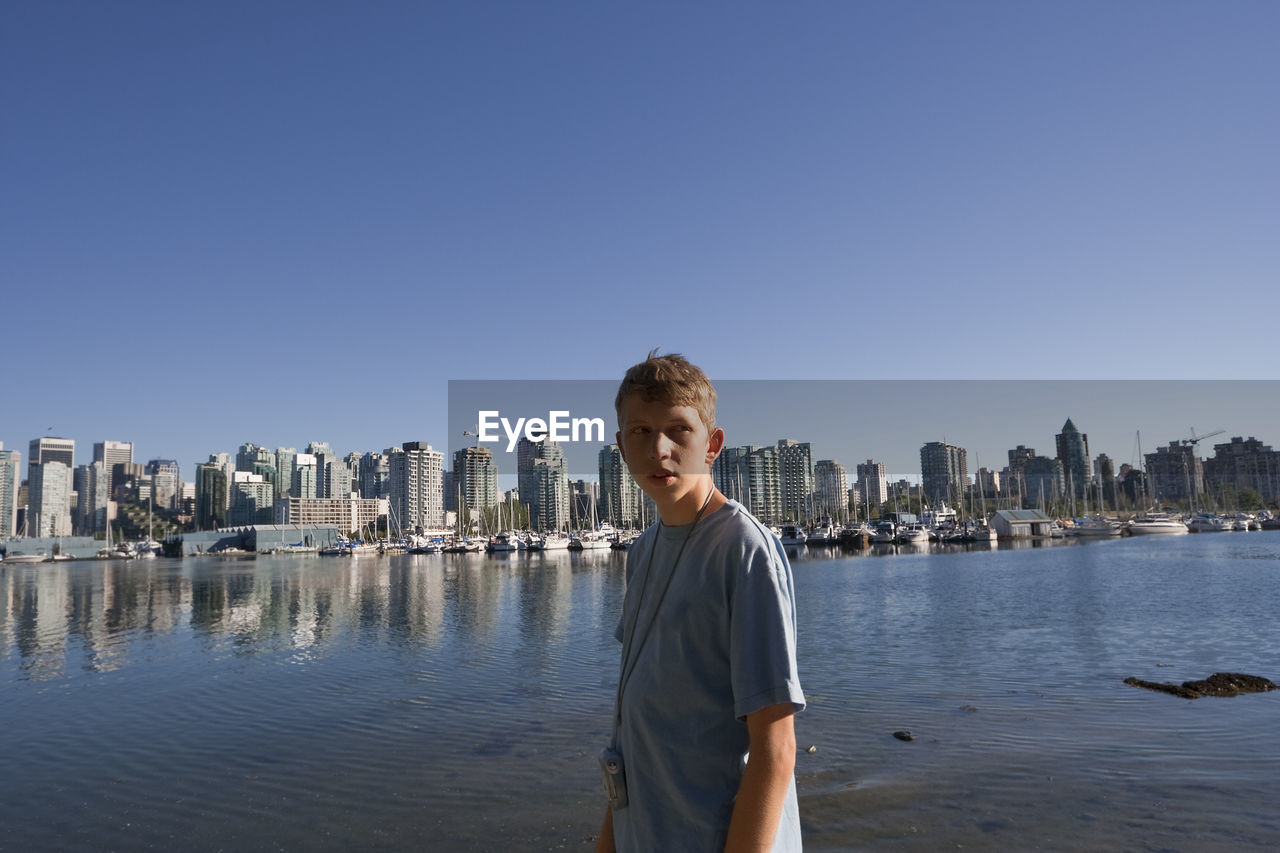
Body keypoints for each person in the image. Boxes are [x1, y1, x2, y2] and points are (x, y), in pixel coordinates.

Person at [596, 351, 805, 853]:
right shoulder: (643, 552)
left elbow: (775, 751)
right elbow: (634, 736)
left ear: (711, 446)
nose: (659, 449)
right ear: (621, 448)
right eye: (640, 432)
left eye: (678, 431)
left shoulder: (743, 551)